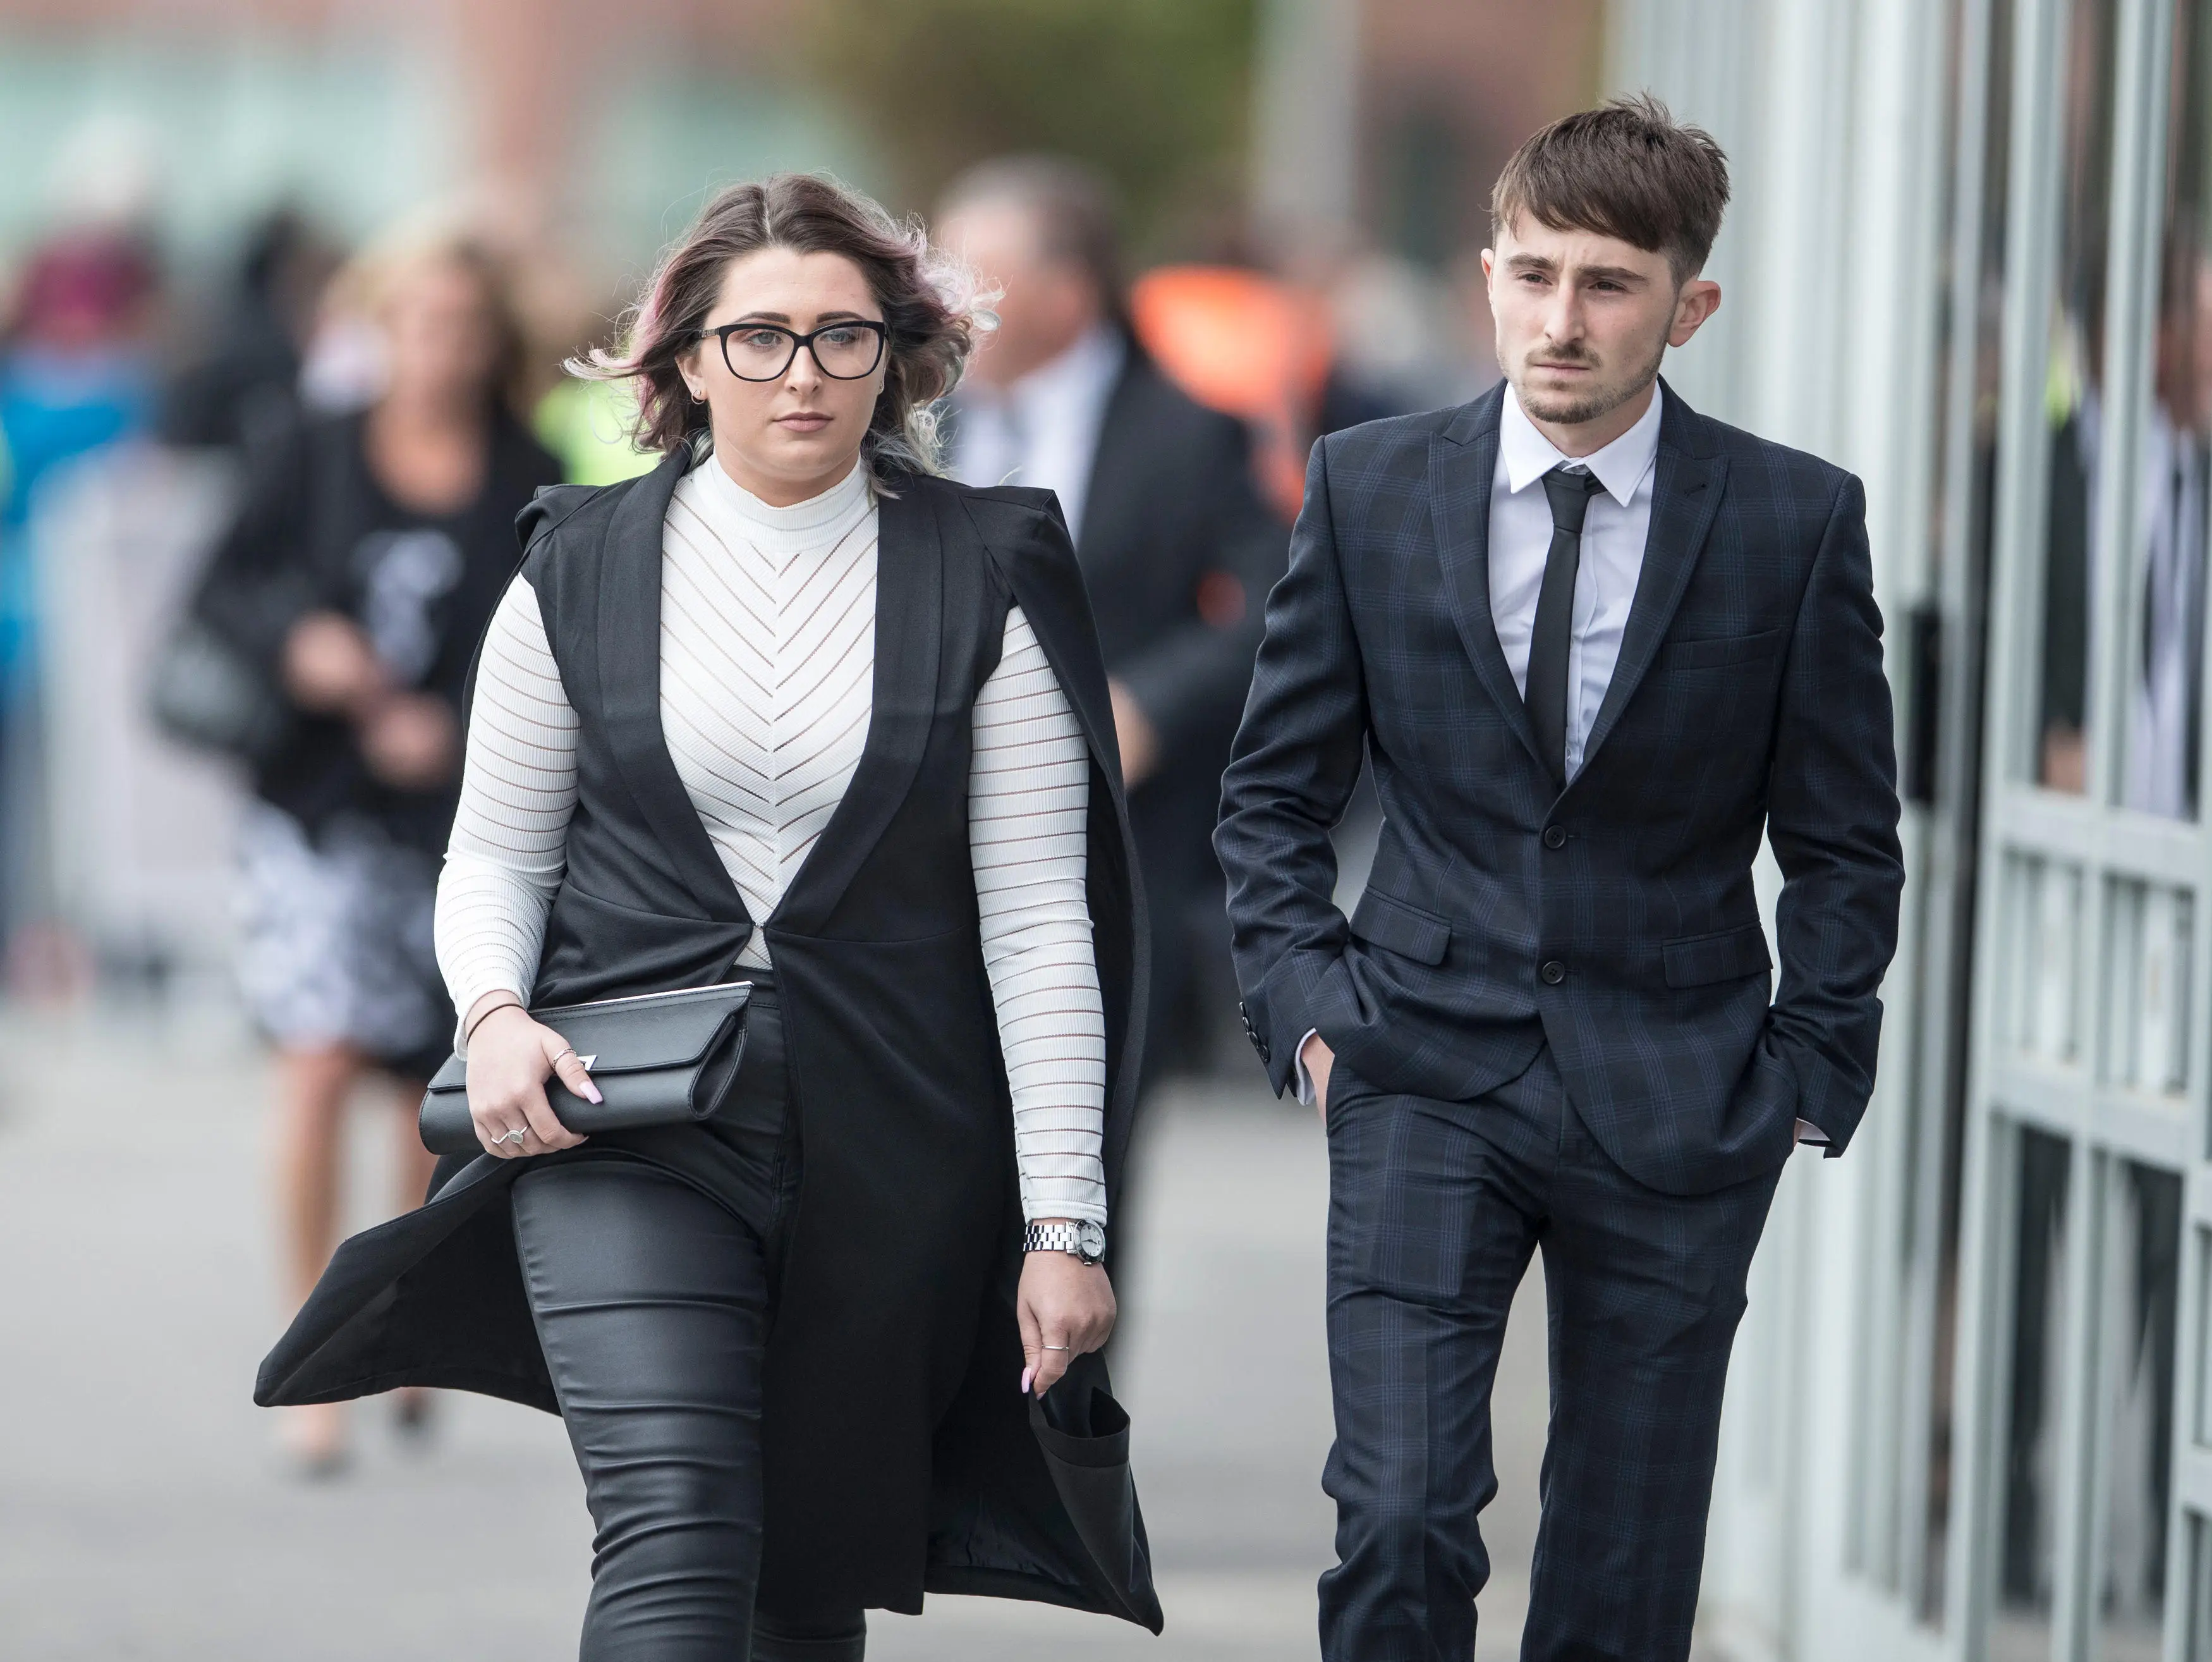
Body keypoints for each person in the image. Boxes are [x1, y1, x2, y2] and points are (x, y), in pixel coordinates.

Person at [256, 174, 1157, 1659]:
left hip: (894, 1144)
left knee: (801, 1595)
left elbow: (1039, 919)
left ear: (897, 353)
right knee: (675, 1537)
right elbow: (493, 857)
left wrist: (1064, 1222)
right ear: (680, 359)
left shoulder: (983, 569)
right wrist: (491, 1020)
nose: (801, 372)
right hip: (623, 1120)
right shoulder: (577, 563)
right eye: (758, 338)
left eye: (840, 336)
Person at [1215, 97, 1905, 1660]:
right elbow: (1268, 795)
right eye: (1532, 275)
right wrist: (1316, 1015)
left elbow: (1846, 840)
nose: (1562, 319)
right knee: (1397, 1518)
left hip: (1685, 1091)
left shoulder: (1793, 522)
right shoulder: (1370, 485)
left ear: (1689, 305)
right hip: (1416, 1066)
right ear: (1484, 277)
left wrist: (1805, 1074)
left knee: (1621, 1566)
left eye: (1607, 282)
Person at [189, 223, 562, 1472]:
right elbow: (222, 590)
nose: (439, 348)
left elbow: (556, 634)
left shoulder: (531, 466)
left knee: (426, 1091)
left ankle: (392, 1326)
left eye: (464, 325)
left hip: (460, 823)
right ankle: (316, 1351)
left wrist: (457, 723)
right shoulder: (308, 449)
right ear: (381, 327)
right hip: (315, 808)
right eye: (419, 322)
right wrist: (300, 642)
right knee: (311, 1060)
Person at [937, 156, 1286, 1085]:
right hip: (918, 850)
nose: (943, 300)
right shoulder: (910, 421)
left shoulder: (1191, 433)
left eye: (974, 275)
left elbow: (1277, 611)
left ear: (1066, 292)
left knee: (1081, 1161)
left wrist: (1144, 706)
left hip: (1106, 856)